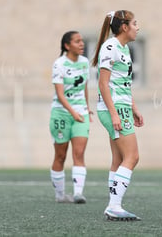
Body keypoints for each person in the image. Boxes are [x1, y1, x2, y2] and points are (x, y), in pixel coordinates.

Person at [91, 10, 144, 221]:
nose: (138, 27)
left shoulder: (124, 49)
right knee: (133, 157)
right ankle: (114, 206)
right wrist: (115, 114)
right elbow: (103, 84)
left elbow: (123, 85)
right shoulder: (110, 47)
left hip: (122, 108)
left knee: (119, 159)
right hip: (114, 109)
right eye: (135, 23)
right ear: (124, 27)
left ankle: (114, 205)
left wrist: (134, 108)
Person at [49, 31, 92, 204]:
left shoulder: (84, 62)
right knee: (60, 155)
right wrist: (73, 112)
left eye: (82, 40)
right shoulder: (59, 64)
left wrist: (87, 108)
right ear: (67, 45)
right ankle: (60, 195)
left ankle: (78, 194)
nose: (81, 44)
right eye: (77, 41)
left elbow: (85, 87)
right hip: (61, 114)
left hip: (80, 113)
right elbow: (60, 94)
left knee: (79, 153)